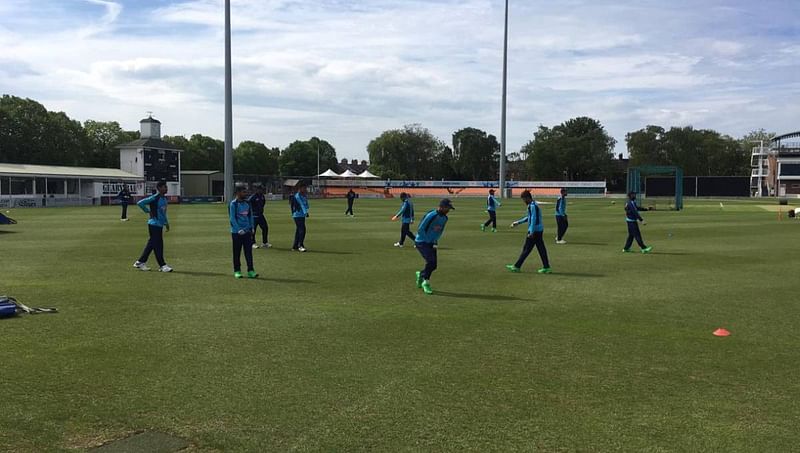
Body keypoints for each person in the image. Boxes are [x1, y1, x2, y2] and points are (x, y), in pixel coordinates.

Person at [414, 198, 455, 295]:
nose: (448, 211)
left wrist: (435, 241)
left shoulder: (445, 218)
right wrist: (428, 240)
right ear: (441, 207)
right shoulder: (431, 215)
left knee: (434, 265)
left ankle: (421, 274)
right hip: (421, 241)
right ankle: (426, 282)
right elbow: (421, 229)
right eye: (447, 208)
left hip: (432, 242)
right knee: (430, 261)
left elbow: (440, 231)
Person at [506, 190, 551, 274]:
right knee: (540, 249)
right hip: (538, 230)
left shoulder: (532, 206)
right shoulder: (532, 205)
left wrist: (531, 232)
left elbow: (533, 219)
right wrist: (518, 222)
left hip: (534, 231)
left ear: (527, 198)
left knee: (527, 249)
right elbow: (529, 217)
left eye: (523, 199)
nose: (523, 201)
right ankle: (546, 267)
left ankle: (517, 266)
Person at [133, 181, 172, 272]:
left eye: (166, 187)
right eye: (164, 187)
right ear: (159, 188)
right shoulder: (155, 198)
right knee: (158, 245)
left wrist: (166, 223)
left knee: (152, 244)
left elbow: (163, 213)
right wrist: (147, 211)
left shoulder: (164, 199)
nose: (166, 188)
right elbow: (140, 203)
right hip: (154, 224)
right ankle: (162, 265)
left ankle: (140, 262)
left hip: (159, 225)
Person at [230, 185, 258, 279]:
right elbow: (232, 218)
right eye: (243, 192)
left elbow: (250, 216)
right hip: (236, 233)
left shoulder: (247, 203)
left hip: (247, 231)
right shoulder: (233, 204)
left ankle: (251, 270)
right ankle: (237, 271)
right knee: (237, 252)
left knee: (248, 252)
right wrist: (238, 229)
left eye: (245, 192)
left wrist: (252, 227)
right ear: (238, 193)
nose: (245, 194)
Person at [290, 182, 310, 252]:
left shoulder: (303, 195)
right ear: (300, 188)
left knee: (298, 230)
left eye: (305, 188)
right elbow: (301, 204)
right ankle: (300, 245)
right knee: (302, 230)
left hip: (301, 215)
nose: (305, 189)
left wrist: (306, 208)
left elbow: (306, 205)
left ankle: (295, 245)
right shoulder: (297, 196)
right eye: (304, 188)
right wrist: (306, 212)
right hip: (297, 215)